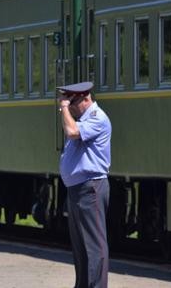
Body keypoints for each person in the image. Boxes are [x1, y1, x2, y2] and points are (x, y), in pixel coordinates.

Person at [57, 81, 112, 288]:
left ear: (84, 98)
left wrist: (63, 108)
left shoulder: (97, 118)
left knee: (94, 245)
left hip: (91, 188)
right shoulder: (82, 120)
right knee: (80, 247)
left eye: (71, 102)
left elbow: (71, 132)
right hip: (78, 189)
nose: (68, 107)